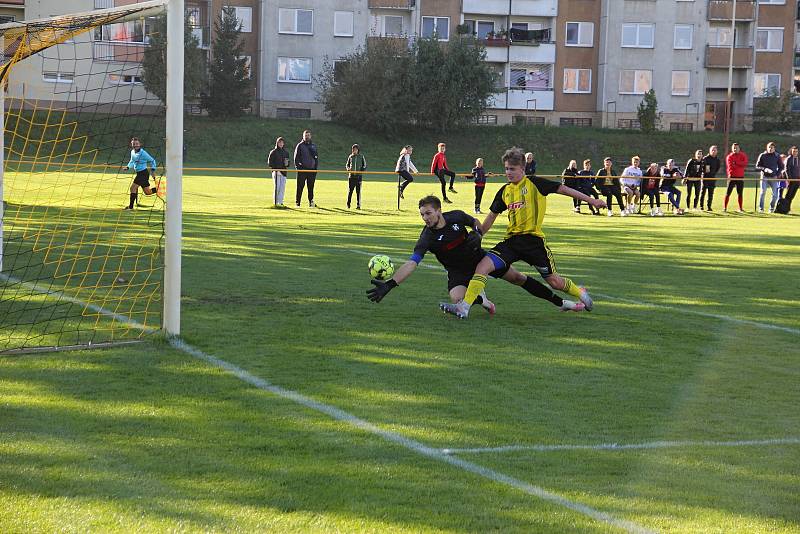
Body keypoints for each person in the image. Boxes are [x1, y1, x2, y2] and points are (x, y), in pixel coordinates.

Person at [439, 147, 606, 319]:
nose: (508, 173)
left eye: (512, 169)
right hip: (511, 242)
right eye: (506, 169)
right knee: (483, 266)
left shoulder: (535, 183)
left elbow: (564, 190)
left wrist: (592, 200)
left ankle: (579, 291)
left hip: (534, 243)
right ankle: (464, 308)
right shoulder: (505, 191)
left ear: (522, 169)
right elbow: (490, 217)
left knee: (554, 282)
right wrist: (478, 234)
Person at [367, 195, 586, 313]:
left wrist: (477, 233)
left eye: (428, 213)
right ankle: (483, 300)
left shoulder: (456, 216)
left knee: (519, 278)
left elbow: (476, 223)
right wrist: (390, 284)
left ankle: (561, 303)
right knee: (456, 298)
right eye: (422, 214)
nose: (425, 218)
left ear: (439, 211)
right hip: (457, 271)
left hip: (480, 259)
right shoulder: (427, 237)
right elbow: (412, 263)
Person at [124, 137, 158, 210]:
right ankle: (161, 189)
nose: (135, 145)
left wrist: (153, 169)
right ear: (131, 144)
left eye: (137, 144)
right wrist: (128, 167)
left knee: (133, 188)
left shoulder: (143, 153)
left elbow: (152, 160)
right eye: (134, 144)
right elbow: (132, 161)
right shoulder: (132, 152)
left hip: (143, 173)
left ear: (140, 144)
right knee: (148, 192)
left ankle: (130, 207)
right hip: (140, 174)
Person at [755, 141, 783, 213]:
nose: (770, 149)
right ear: (767, 148)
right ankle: (761, 209)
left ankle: (771, 208)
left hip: (773, 177)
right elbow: (757, 166)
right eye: (769, 147)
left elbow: (781, 167)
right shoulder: (762, 155)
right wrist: (765, 169)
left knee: (775, 195)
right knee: (763, 192)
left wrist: (777, 174)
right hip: (764, 177)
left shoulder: (777, 156)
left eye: (772, 147)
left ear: (774, 148)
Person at [294, 129, 318, 207]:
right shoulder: (300, 145)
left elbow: (316, 158)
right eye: (305, 136)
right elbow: (296, 158)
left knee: (311, 187)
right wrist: (298, 168)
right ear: (303, 136)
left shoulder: (313, 145)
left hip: (311, 170)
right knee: (300, 187)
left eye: (308, 135)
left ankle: (311, 202)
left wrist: (315, 168)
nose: (307, 137)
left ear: (310, 136)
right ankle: (298, 203)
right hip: (302, 170)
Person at [724, 143, 748, 213]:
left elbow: (745, 163)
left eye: (736, 148)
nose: (735, 149)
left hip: (740, 177)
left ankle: (740, 208)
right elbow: (731, 166)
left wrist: (736, 163)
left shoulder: (743, 155)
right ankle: (725, 208)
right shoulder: (729, 156)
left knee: (740, 193)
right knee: (728, 193)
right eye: (734, 148)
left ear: (739, 148)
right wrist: (740, 164)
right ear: (732, 148)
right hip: (732, 177)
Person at [267, 136, 290, 206]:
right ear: (277, 143)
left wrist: (287, 163)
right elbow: (270, 163)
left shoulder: (286, 152)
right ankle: (275, 202)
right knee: (277, 187)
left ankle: (281, 202)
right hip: (276, 172)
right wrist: (275, 168)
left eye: (282, 142)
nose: (281, 144)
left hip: (283, 172)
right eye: (279, 142)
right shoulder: (273, 152)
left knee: (282, 188)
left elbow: (288, 163)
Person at [346, 143, 367, 209]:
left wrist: (362, 170)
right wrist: (348, 169)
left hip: (358, 177)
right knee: (350, 191)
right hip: (351, 177)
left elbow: (365, 165)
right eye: (353, 149)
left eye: (355, 149)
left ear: (358, 150)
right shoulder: (350, 157)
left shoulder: (361, 156)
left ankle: (358, 205)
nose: (354, 151)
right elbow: (347, 165)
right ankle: (348, 204)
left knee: (358, 192)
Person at [700, 145, 721, 211]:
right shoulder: (705, 158)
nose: (713, 151)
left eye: (715, 150)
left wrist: (713, 174)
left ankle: (709, 207)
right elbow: (703, 168)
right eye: (712, 150)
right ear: (710, 151)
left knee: (710, 193)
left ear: (717, 151)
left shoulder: (717, 160)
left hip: (712, 178)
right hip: (705, 178)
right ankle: (701, 207)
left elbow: (717, 168)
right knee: (703, 192)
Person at [782, 145, 800, 211]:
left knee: (792, 195)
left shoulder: (798, 159)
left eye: (796, 151)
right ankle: (785, 208)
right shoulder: (789, 158)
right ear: (791, 151)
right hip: (791, 180)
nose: (795, 152)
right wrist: (789, 179)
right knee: (788, 195)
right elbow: (786, 169)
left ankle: (788, 208)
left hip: (797, 180)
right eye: (794, 151)